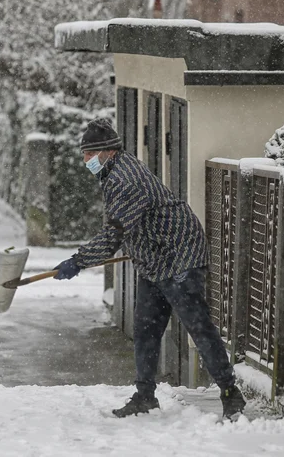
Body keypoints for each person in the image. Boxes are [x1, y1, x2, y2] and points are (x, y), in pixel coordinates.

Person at [53, 118, 246, 420]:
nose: (85, 161)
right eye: (84, 155)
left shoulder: (123, 181)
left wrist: (78, 261)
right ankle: (145, 396)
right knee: (145, 329)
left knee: (198, 326)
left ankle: (230, 395)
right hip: (155, 258)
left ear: (108, 152)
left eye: (89, 155)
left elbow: (113, 234)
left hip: (180, 254)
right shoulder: (114, 171)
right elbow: (132, 226)